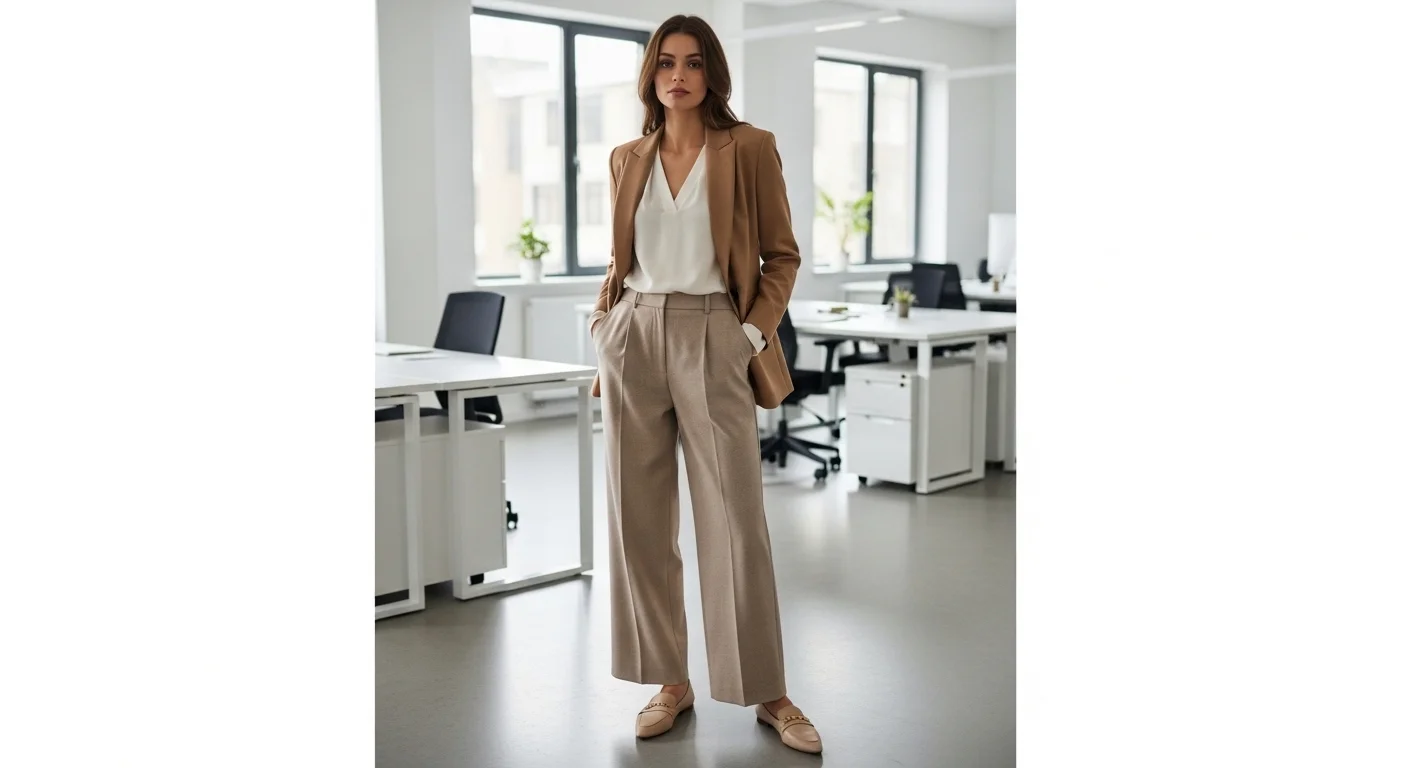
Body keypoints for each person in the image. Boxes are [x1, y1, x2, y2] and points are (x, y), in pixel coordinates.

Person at [587, 13, 821, 756]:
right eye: (665, 63)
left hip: (716, 334)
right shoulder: (628, 157)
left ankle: (767, 690)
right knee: (640, 521)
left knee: (734, 521)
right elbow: (619, 259)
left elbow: (781, 256)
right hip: (634, 336)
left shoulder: (748, 148)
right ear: (651, 75)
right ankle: (669, 680)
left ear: (712, 72)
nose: (678, 75)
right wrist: (605, 329)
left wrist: (747, 336)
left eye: (692, 62)